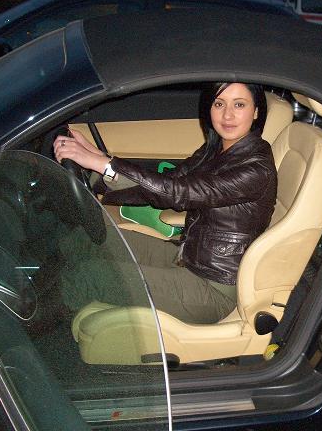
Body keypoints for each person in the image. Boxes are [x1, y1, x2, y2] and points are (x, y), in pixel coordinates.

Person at [53, 82, 277, 324]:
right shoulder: (215, 150)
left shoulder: (256, 169)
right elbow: (168, 181)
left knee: (90, 276)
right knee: (85, 240)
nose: (227, 115)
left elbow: (177, 192)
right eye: (219, 104)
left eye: (239, 105)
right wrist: (98, 157)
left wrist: (106, 166)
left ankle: (39, 326)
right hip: (187, 255)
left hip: (214, 287)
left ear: (256, 112)